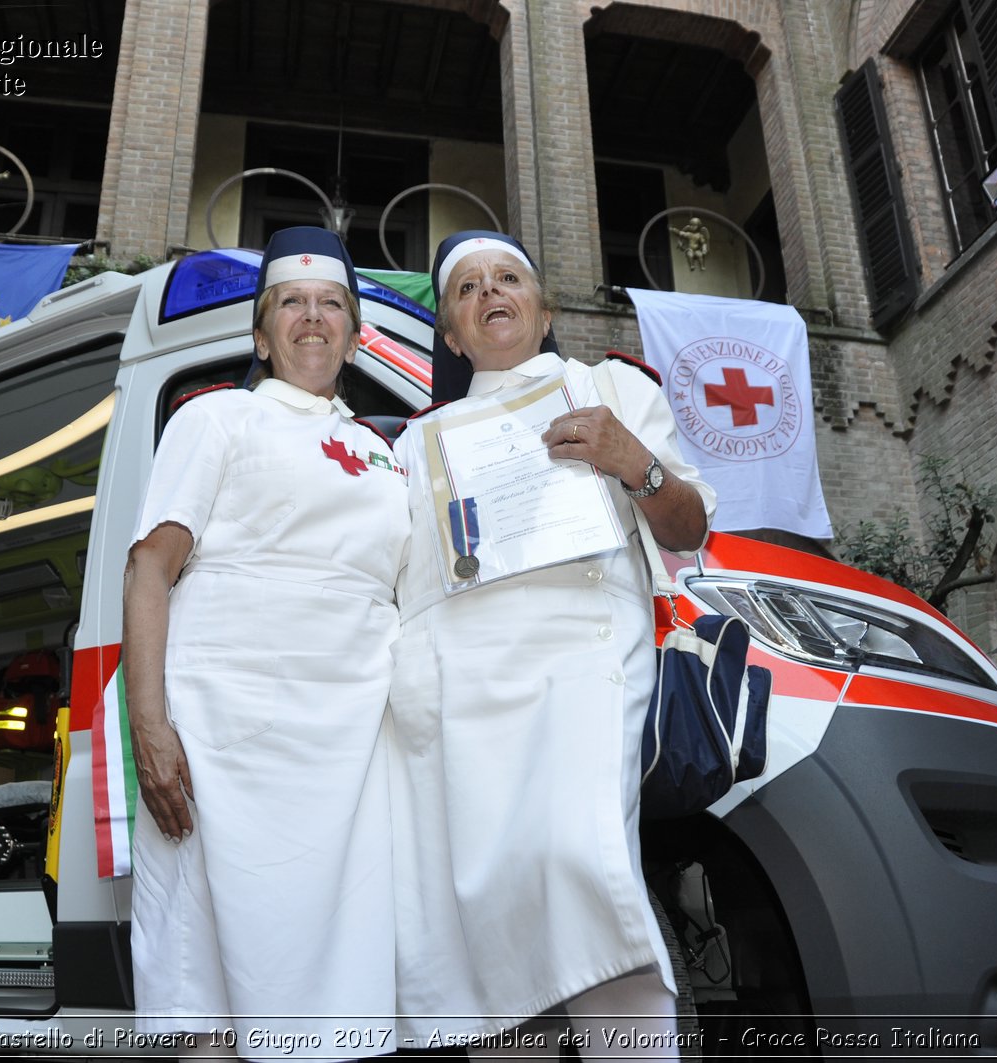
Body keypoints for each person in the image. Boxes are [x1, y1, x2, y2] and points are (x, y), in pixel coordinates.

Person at [389, 231, 716, 1057]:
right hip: (456, 692)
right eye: (467, 288)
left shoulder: (606, 388)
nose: (490, 292)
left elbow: (688, 529)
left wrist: (633, 463)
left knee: (585, 867)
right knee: (491, 912)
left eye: (507, 278)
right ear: (453, 335)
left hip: (582, 662)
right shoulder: (412, 443)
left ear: (544, 309)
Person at [123, 227, 408, 1058]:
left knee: (343, 984)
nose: (312, 318)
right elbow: (150, 567)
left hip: (351, 756)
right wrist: (151, 729)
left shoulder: (383, 454)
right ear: (260, 334)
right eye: (291, 302)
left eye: (331, 305)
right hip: (222, 743)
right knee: (207, 984)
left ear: (355, 335)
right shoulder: (216, 418)